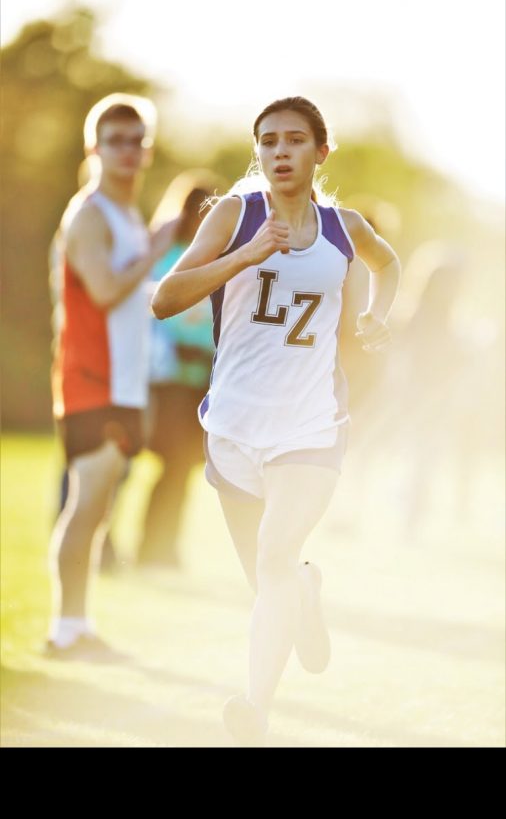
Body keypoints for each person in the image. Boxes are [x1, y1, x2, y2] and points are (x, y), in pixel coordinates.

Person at [152, 96, 401, 745]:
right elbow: (164, 298)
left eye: (294, 140)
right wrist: (245, 255)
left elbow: (388, 263)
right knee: (274, 580)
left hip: (311, 426)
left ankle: (254, 709)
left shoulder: (344, 228)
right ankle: (308, 595)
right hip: (234, 426)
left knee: (274, 556)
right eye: (267, 142)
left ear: (322, 152)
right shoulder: (236, 215)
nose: (279, 152)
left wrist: (378, 313)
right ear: (257, 152)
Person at [47, 93, 174, 658]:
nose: (127, 150)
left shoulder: (126, 215)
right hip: (89, 378)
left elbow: (128, 295)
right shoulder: (89, 213)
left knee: (100, 510)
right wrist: (156, 250)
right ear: (94, 147)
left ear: (146, 151)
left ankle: (80, 622)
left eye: (136, 140)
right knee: (87, 503)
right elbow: (102, 290)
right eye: (115, 140)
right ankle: (64, 629)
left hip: (125, 381)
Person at [138, 170, 224, 567]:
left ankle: (164, 546)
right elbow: (155, 308)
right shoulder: (168, 254)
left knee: (183, 466)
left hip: (200, 378)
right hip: (165, 376)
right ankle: (143, 546)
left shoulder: (216, 260)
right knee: (162, 461)